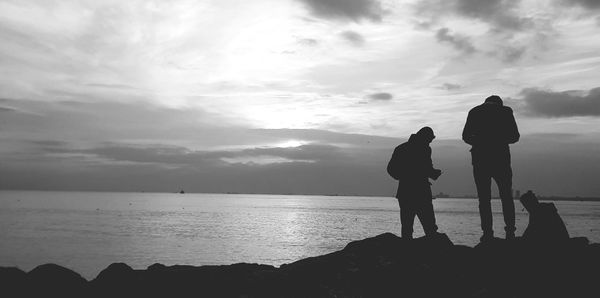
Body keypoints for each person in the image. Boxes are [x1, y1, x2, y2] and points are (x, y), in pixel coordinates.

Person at [462, 95, 520, 242]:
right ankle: (510, 232)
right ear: (499, 103)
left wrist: (480, 141)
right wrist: (499, 139)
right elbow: (515, 136)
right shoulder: (506, 111)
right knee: (506, 196)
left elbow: (466, 136)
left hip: (480, 159)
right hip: (501, 159)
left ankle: (487, 233)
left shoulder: (474, 111)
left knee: (484, 199)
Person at [387, 127, 442, 239]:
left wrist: (431, 173)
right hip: (417, 192)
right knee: (426, 226)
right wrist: (407, 176)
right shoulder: (410, 149)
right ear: (424, 137)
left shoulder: (405, 148)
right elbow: (392, 169)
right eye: (430, 139)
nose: (430, 141)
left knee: (412, 227)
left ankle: (409, 251)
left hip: (409, 192)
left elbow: (426, 168)